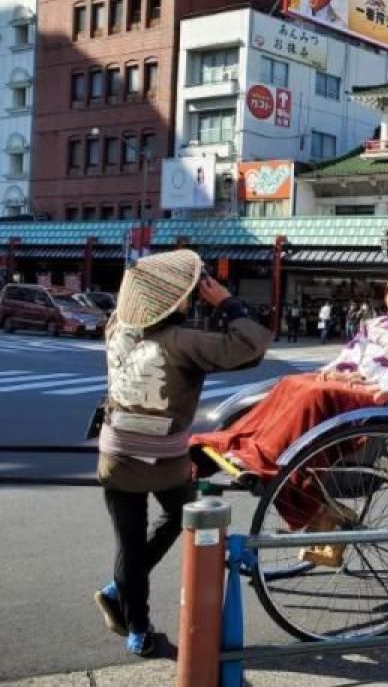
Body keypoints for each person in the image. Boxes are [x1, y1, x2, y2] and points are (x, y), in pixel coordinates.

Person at [192, 280, 388, 562]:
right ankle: (247, 444)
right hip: (371, 381)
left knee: (313, 394)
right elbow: (364, 354)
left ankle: (267, 456)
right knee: (291, 383)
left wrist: (376, 380)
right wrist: (344, 371)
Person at [96, 251, 273, 656]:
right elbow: (251, 345)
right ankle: (122, 594)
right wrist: (227, 303)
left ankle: (136, 628)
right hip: (163, 459)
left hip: (117, 453)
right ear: (172, 301)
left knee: (129, 544)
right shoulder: (184, 342)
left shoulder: (116, 329)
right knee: (179, 514)